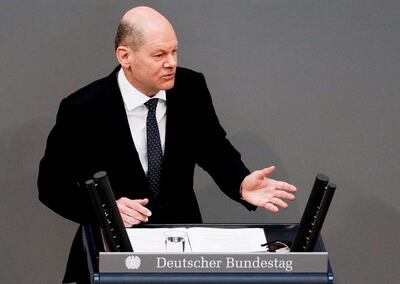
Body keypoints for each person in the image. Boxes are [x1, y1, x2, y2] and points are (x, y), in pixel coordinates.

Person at [38, 6, 297, 283]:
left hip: (181, 254)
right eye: (159, 54)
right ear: (125, 56)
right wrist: (104, 210)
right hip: (111, 252)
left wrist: (241, 182)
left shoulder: (190, 88)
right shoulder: (83, 108)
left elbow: (214, 149)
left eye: (174, 51)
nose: (171, 62)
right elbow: (52, 187)